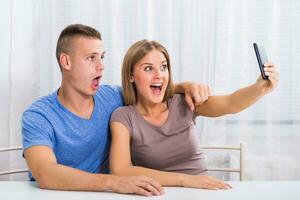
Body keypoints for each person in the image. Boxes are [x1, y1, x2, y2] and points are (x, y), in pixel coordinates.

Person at [21, 24, 208, 196]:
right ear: (66, 62)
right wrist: (115, 182)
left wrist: (185, 86)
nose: (101, 65)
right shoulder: (38, 116)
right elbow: (45, 173)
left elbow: (148, 88)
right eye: (91, 58)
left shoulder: (112, 97)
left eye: (102, 57)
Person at [109, 40, 278, 190]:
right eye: (148, 68)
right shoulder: (123, 117)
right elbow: (121, 170)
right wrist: (186, 180)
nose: (159, 74)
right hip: (161, 193)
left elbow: (231, 103)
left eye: (163, 67)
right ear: (131, 76)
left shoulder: (184, 102)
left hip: (204, 191)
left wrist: (259, 88)